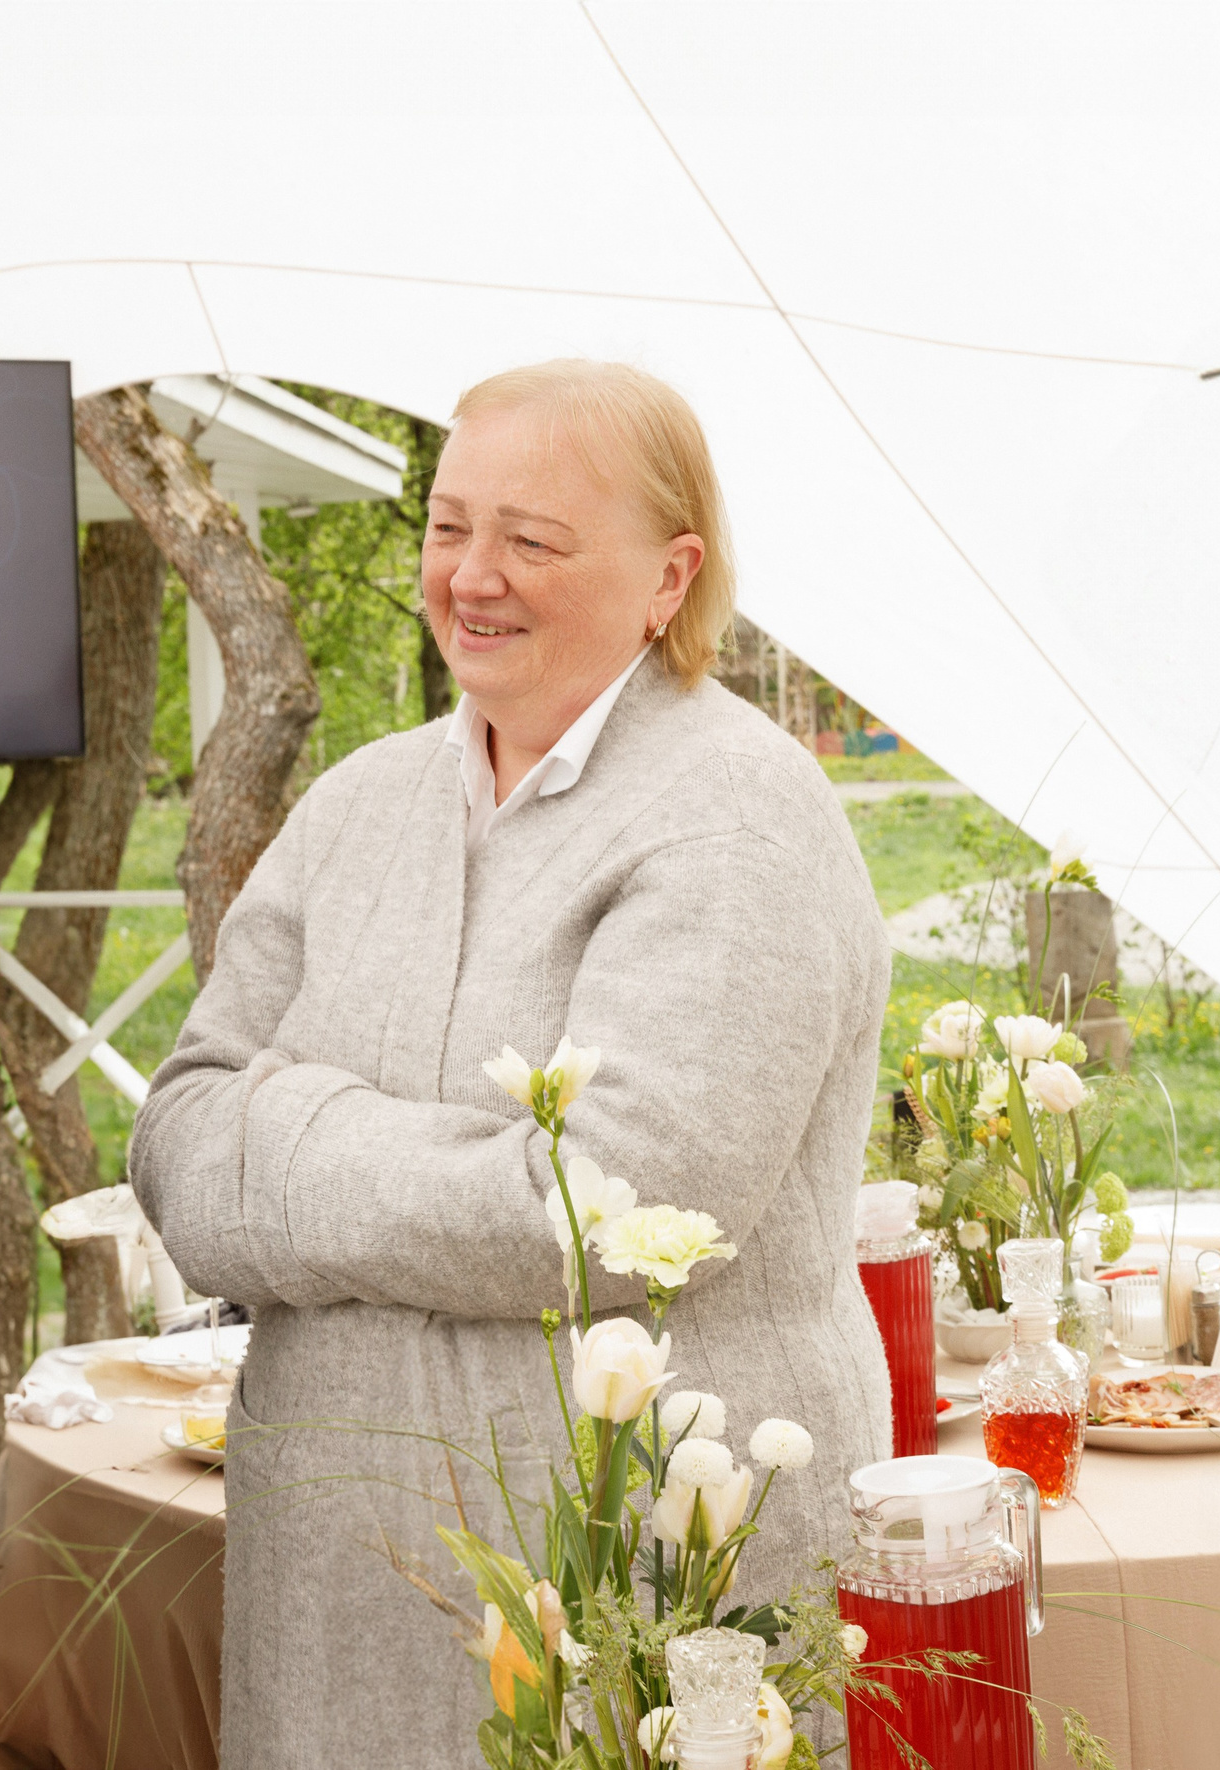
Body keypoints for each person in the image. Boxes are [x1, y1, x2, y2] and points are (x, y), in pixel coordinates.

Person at [131, 360, 893, 1766]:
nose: (473, 575)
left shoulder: (740, 818)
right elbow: (178, 1147)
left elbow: (618, 1207)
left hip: (649, 1575)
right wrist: (436, 1166)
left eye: (532, 539)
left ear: (671, 576)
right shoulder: (358, 804)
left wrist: (287, 1134)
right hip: (338, 1590)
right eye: (446, 524)